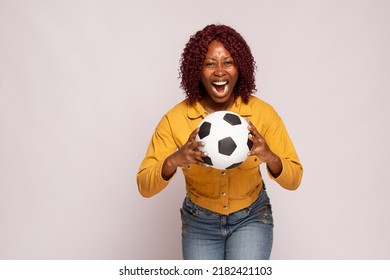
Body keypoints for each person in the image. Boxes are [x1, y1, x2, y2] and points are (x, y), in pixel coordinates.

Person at [137, 24, 303, 260]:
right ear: (197, 70)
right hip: (199, 224)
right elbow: (144, 185)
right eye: (209, 63)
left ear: (240, 68)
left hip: (251, 217)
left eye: (228, 62)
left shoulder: (262, 114)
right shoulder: (175, 119)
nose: (219, 72)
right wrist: (175, 160)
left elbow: (294, 178)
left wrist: (270, 157)